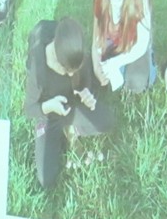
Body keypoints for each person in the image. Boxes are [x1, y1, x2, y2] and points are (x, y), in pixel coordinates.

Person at [24, 17, 115, 189]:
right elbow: (29, 109)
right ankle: (67, 131)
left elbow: (83, 80)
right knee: (46, 178)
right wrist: (48, 106)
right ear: (56, 58)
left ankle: (71, 130)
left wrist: (85, 93)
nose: (71, 75)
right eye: (66, 70)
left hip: (71, 106)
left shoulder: (75, 52)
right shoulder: (38, 69)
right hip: (50, 114)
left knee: (107, 120)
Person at [91, 0, 155, 93]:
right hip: (112, 42)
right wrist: (96, 66)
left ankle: (149, 61)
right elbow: (96, 40)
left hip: (134, 44)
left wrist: (115, 63)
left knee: (137, 82)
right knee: (95, 77)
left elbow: (141, 45)